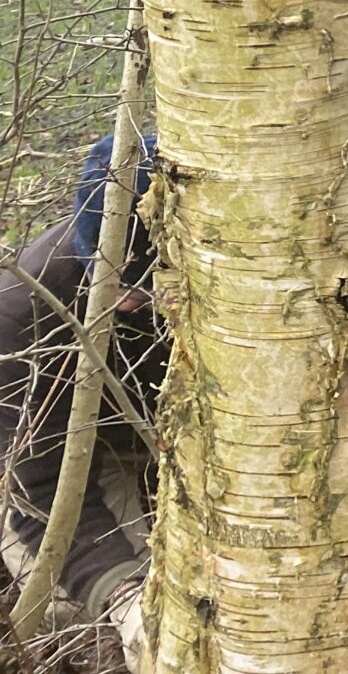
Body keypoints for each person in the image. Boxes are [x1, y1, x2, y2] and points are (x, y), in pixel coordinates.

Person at [1, 134, 162, 670]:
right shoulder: (23, 315)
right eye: (111, 282)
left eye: (144, 285)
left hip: (166, 436)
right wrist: (123, 595)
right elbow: (41, 491)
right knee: (108, 619)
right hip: (62, 457)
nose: (127, 300)